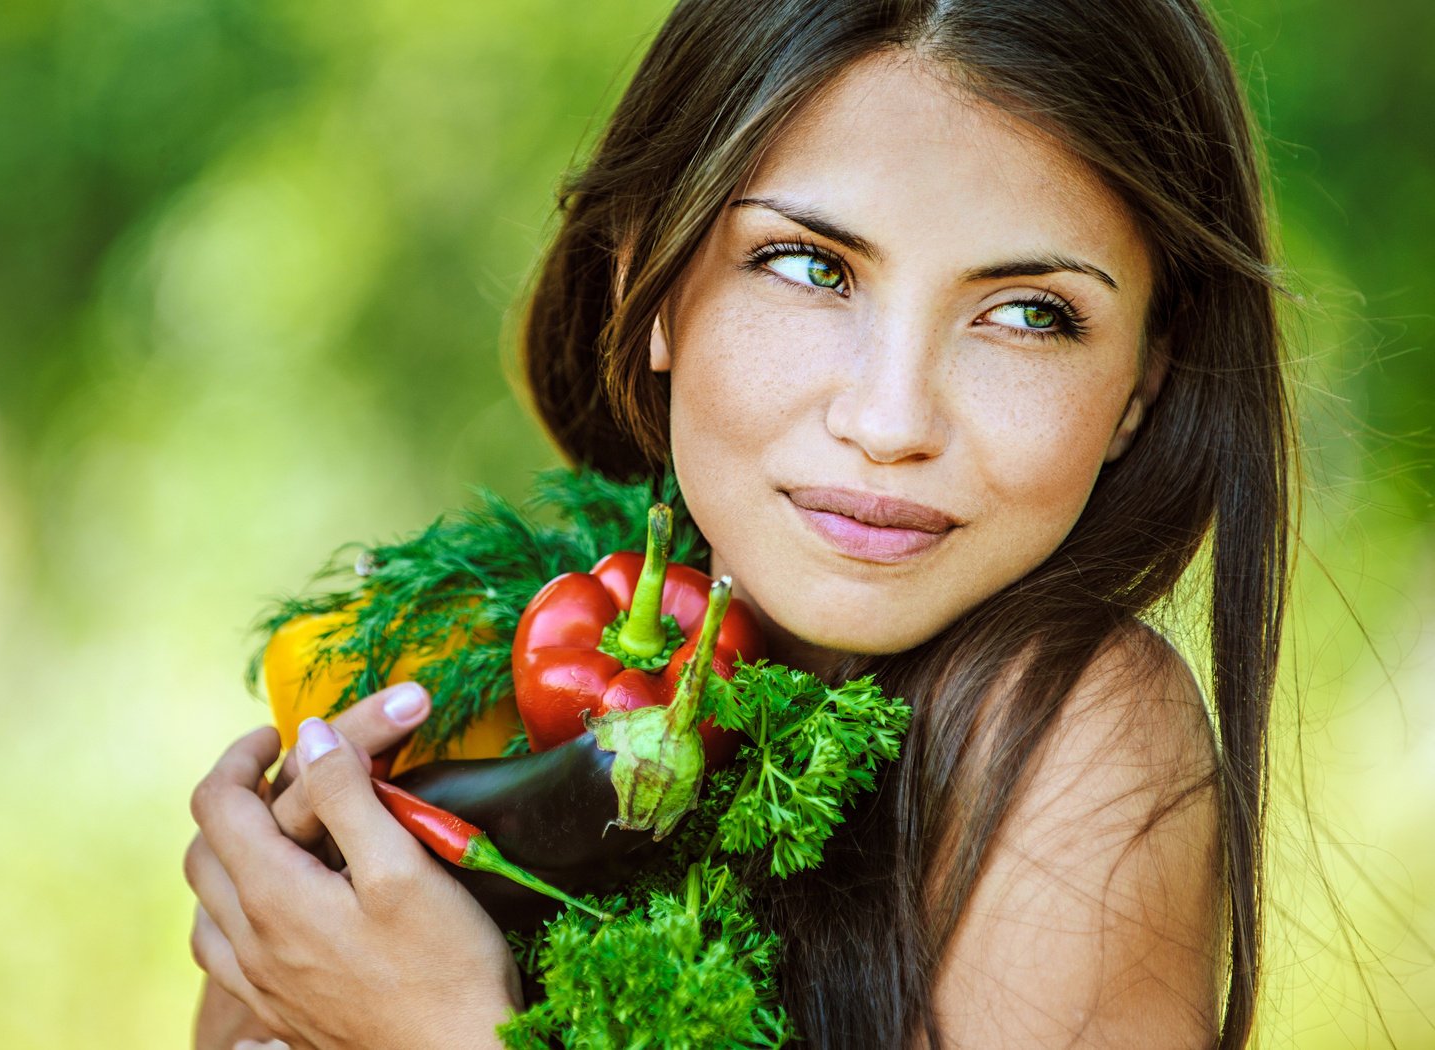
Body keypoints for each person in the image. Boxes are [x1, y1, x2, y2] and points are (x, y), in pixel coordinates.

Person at [183, 0, 1290, 1045]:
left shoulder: (1077, 727)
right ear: (648, 288)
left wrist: (446, 1030)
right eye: (811, 267)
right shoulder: (509, 663)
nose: (891, 420)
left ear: (1143, 377)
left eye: (1027, 314)